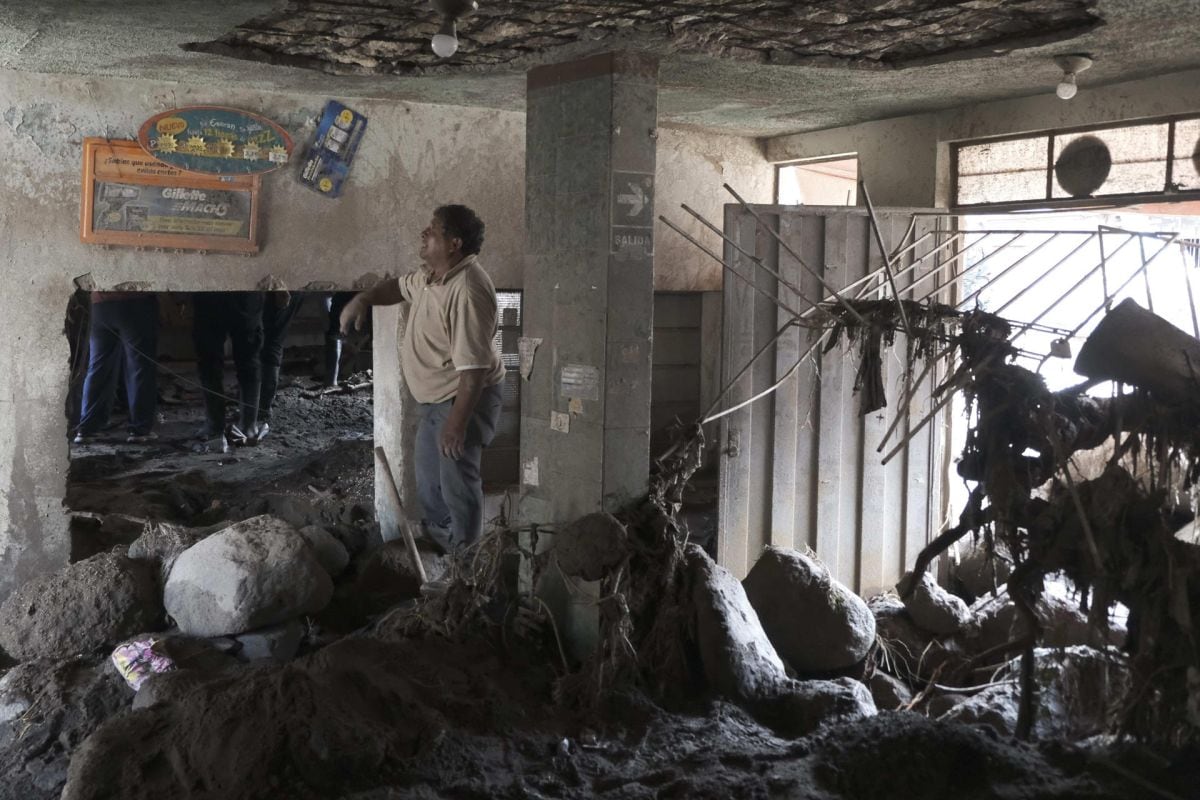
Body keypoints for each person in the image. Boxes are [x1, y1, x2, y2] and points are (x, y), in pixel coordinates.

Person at [341, 204, 504, 552]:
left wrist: (456, 425)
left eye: (433, 230)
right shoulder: (431, 277)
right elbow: (398, 288)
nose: (424, 234)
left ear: (453, 244)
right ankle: (444, 549)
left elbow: (473, 373)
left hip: (463, 399)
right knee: (430, 485)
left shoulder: (467, 291)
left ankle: (466, 561)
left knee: (457, 483)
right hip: (436, 400)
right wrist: (364, 298)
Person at [73, 291, 160, 444]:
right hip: (135, 303)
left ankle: (87, 429)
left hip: (98, 305)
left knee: (98, 367)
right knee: (139, 367)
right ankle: (139, 430)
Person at [191, 291, 265, 452]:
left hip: (221, 292)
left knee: (214, 361)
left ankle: (220, 425)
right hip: (227, 293)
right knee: (242, 361)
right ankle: (239, 425)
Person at [257, 291, 304, 441]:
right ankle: (261, 406)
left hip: (280, 289)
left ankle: (261, 408)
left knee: (270, 343)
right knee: (272, 342)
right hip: (293, 288)